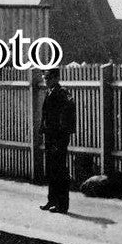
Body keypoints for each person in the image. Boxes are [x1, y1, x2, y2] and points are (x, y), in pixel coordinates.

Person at [39, 67, 76, 214]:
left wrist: (61, 135)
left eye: (48, 78)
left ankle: (62, 205)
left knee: (59, 170)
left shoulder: (62, 93)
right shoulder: (50, 92)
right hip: (50, 136)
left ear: (55, 78)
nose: (45, 80)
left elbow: (66, 115)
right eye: (45, 78)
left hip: (58, 137)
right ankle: (52, 200)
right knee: (52, 169)